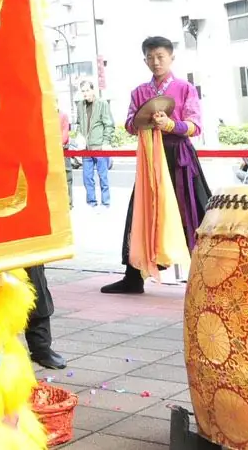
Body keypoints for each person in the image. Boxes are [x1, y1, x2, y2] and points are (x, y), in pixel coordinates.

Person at [102, 36, 211, 294]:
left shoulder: (185, 88)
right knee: (140, 212)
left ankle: (207, 277)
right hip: (150, 160)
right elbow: (130, 124)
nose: (156, 62)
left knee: (192, 211)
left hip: (179, 157)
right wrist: (143, 120)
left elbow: (195, 126)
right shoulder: (139, 92)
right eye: (150, 57)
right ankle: (133, 277)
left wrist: (171, 125)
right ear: (145, 60)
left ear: (172, 57)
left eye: (160, 56)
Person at [78, 78, 114, 207]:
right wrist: (79, 137)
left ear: (93, 90)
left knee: (103, 176)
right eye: (83, 91)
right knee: (87, 177)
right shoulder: (80, 105)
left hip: (99, 147)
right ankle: (91, 202)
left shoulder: (102, 104)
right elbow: (79, 124)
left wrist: (106, 141)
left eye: (87, 90)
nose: (85, 93)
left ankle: (106, 202)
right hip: (86, 148)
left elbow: (109, 124)